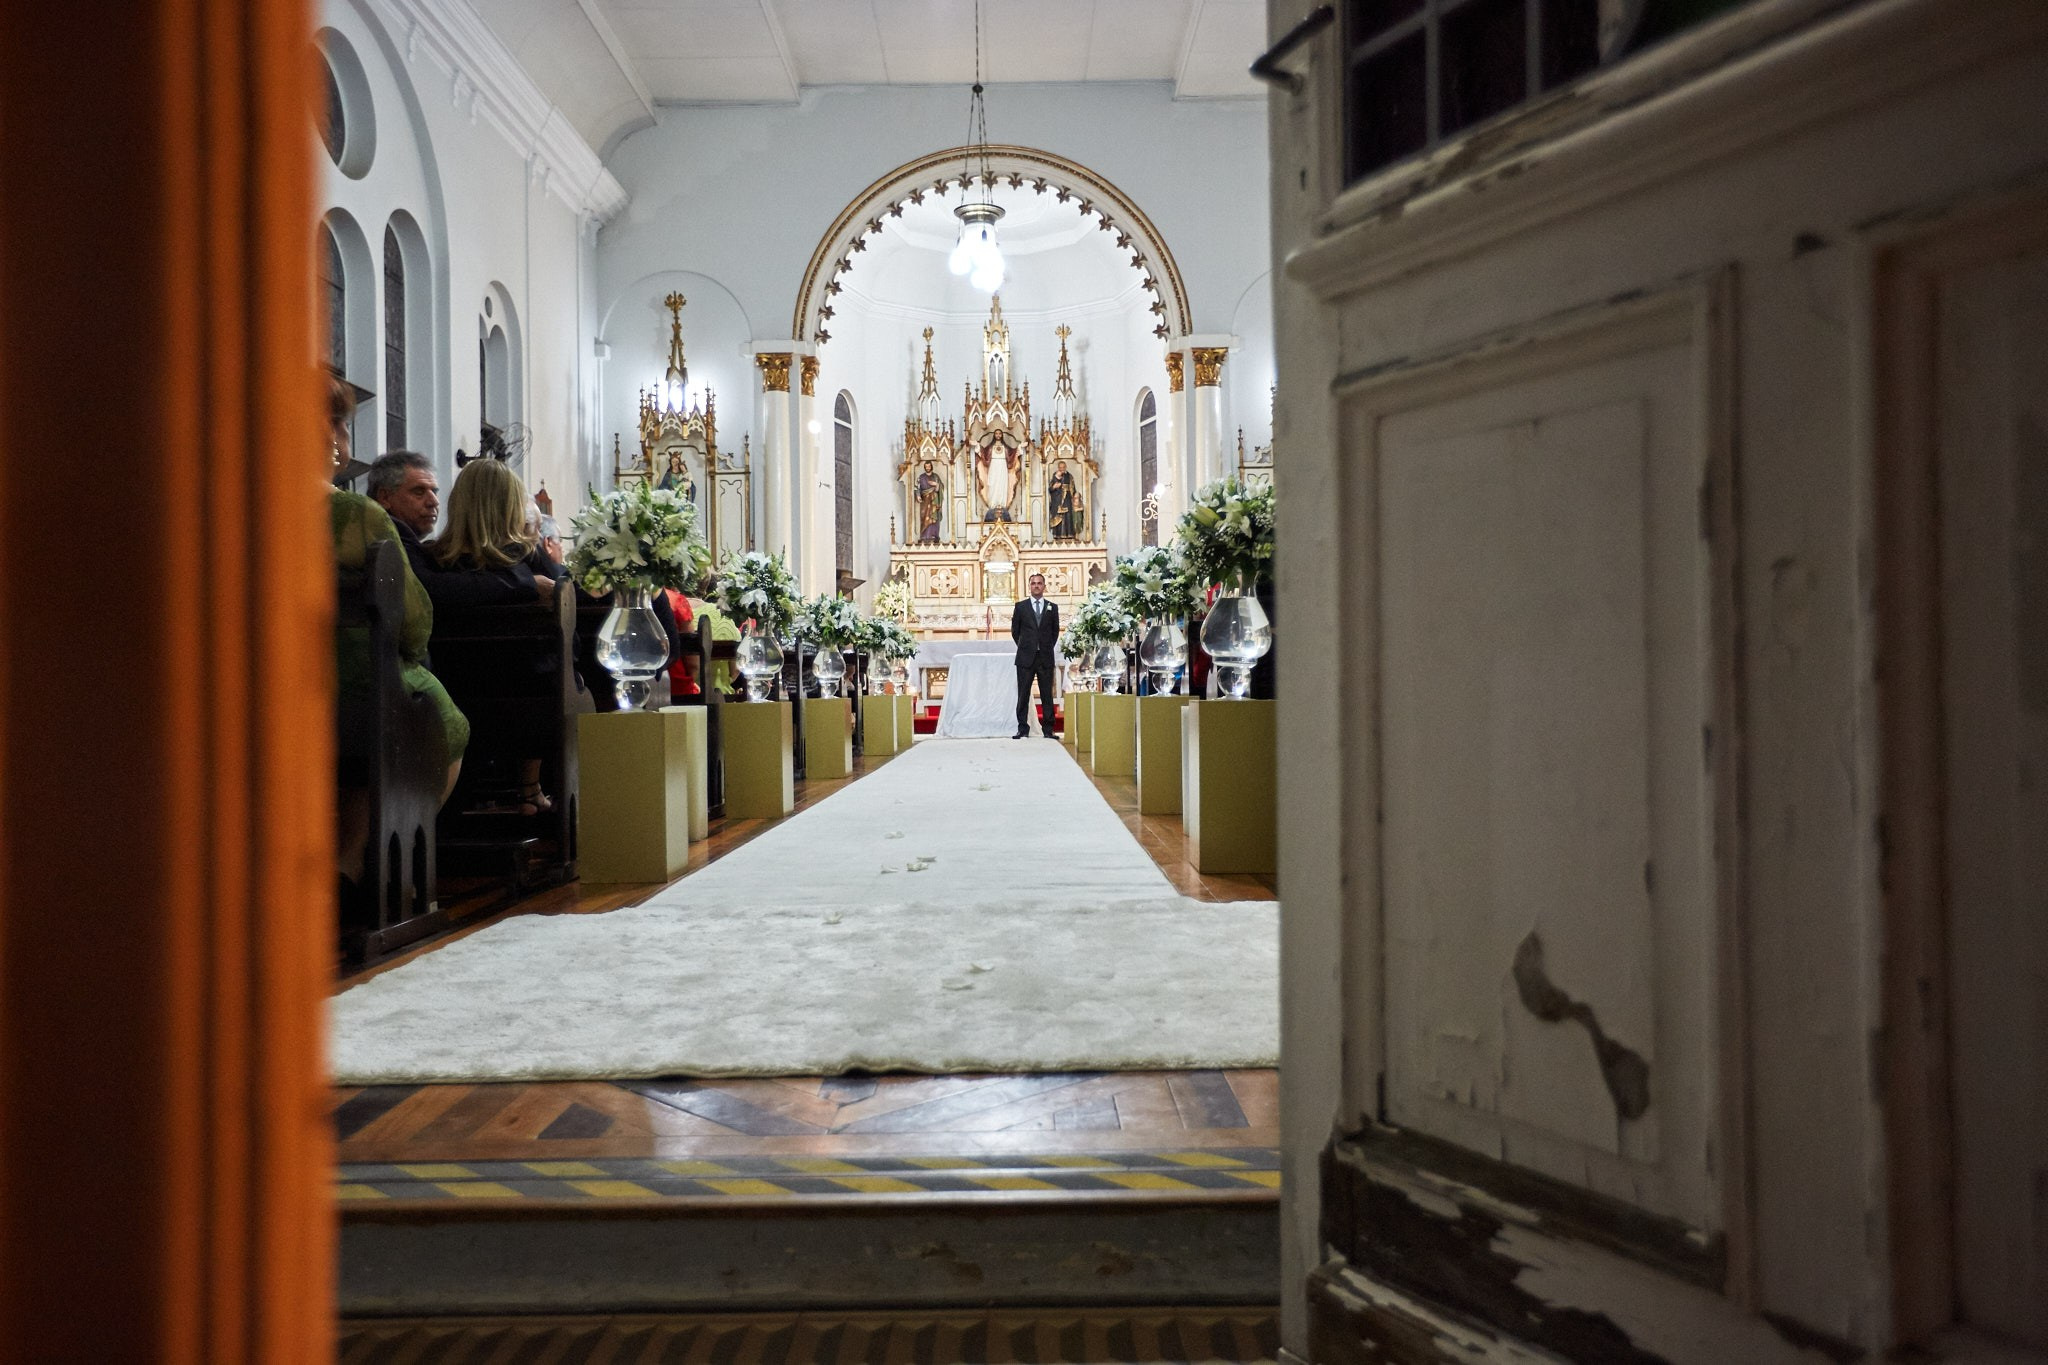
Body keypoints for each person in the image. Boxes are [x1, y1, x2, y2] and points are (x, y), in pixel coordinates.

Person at [328, 380, 468, 891]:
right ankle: (383, 863)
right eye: (343, 424)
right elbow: (410, 620)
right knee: (441, 719)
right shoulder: (355, 515)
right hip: (353, 689)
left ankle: (340, 860)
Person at [426, 458, 564, 814]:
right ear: (511, 506)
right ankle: (529, 790)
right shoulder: (528, 559)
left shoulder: (434, 561)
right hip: (533, 709)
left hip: (455, 696)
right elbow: (566, 624)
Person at [1011, 571, 1059, 739]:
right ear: (1029, 586)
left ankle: (1048, 729)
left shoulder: (1052, 607)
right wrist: (1027, 647)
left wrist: (1044, 647)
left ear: (1044, 586)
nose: (1036, 586)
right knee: (1023, 694)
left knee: (1047, 694)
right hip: (1026, 657)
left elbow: (1055, 632)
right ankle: (1022, 728)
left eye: (1039, 583)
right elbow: (1015, 632)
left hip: (1045, 656)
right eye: (1033, 583)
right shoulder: (1020, 607)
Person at [1047, 459, 1082, 539]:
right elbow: (1050, 489)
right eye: (1060, 467)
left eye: (1063, 467)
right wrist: (1054, 487)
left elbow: (1073, 489)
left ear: (1065, 467)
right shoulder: (1055, 476)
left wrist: (1075, 497)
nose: (1062, 469)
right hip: (1057, 499)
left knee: (1068, 516)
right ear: (1058, 468)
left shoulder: (1069, 476)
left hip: (1067, 499)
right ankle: (1058, 535)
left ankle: (1069, 534)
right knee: (1059, 516)